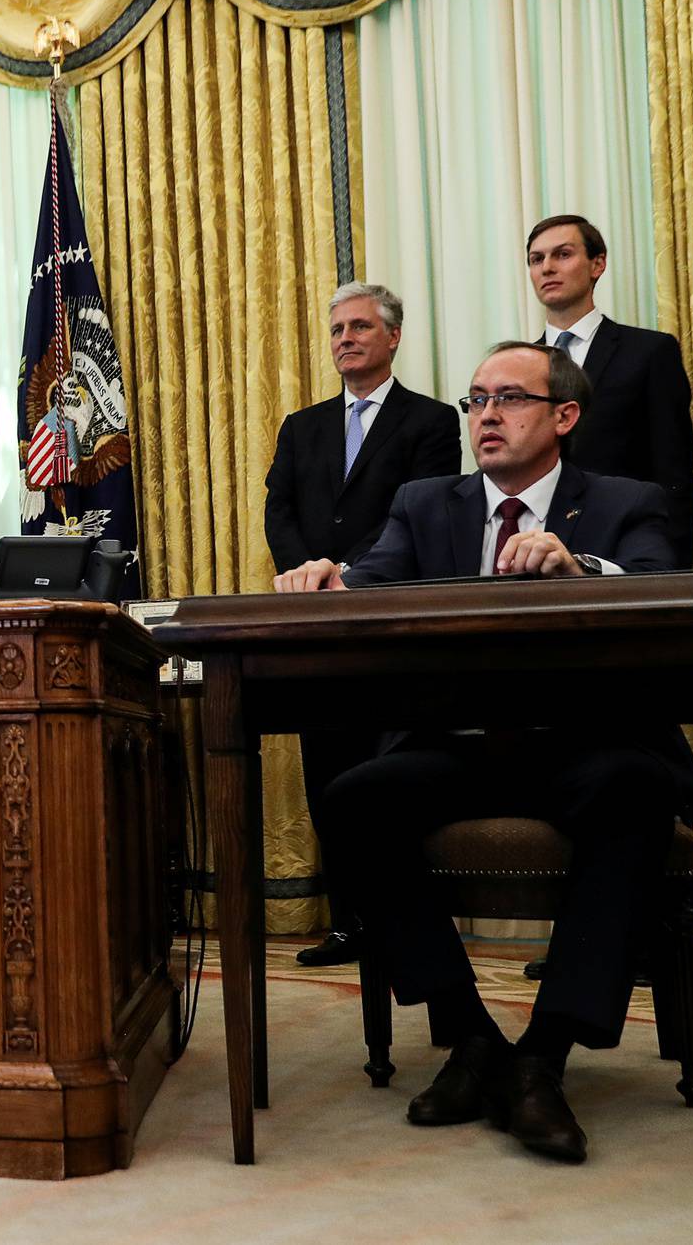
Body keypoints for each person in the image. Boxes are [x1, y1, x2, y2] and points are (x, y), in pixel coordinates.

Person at [275, 342, 693, 1163]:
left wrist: (581, 568)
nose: (486, 415)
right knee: (355, 798)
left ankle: (544, 1054)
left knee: (635, 791)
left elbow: (662, 588)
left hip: (586, 747)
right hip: (460, 749)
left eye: (509, 398)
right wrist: (333, 578)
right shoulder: (425, 501)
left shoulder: (625, 501)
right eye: (476, 399)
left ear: (564, 417)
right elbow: (373, 582)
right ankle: (472, 1037)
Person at [264, 283, 461, 968]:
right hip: (316, 624)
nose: (345, 338)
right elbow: (280, 512)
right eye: (338, 328)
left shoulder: (432, 422)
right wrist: (310, 572)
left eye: (359, 327)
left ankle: (406, 921)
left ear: (392, 337)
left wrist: (350, 570)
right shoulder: (302, 425)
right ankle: (350, 922)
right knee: (326, 770)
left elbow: (423, 512)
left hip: (388, 618)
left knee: (385, 770)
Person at [526, 213, 693, 563]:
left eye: (563, 254)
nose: (547, 268)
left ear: (597, 264)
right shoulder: (522, 366)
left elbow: (673, 467)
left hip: (623, 541)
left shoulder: (649, 351)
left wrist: (671, 561)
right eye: (536, 259)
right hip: (535, 546)